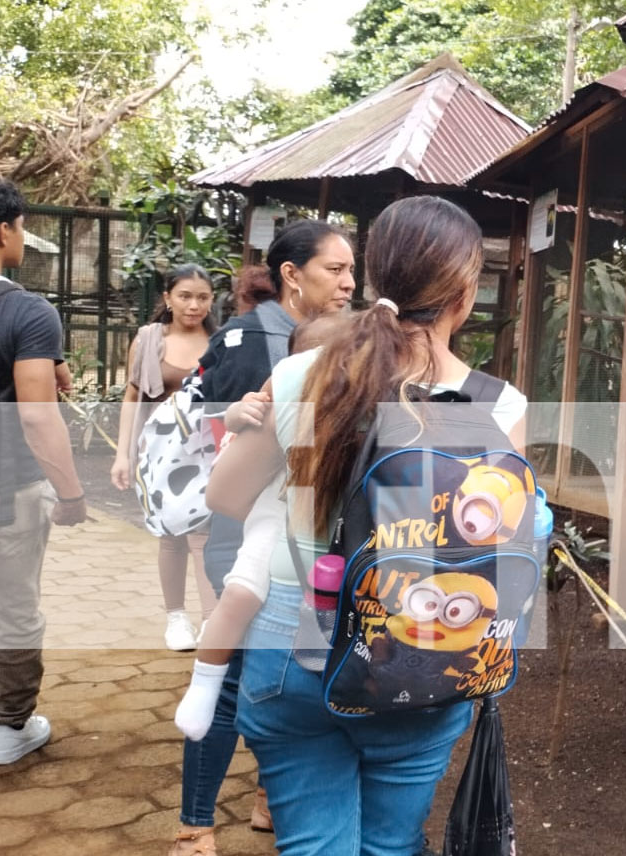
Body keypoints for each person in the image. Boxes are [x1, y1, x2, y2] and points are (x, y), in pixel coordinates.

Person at [205, 196, 526, 856]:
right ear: (465, 292)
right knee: (390, 844)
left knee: (314, 845)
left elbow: (227, 496)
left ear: (377, 277)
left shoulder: (301, 374)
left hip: (287, 637)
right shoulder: (498, 406)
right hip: (417, 645)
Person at [169, 220, 355, 856]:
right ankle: (195, 824)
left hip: (293, 534)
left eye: (352, 271)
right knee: (230, 682)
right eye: (335, 269)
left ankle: (266, 800)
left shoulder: (323, 340)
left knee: (271, 676)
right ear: (292, 274)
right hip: (246, 533)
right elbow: (226, 450)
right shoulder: (254, 338)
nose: (348, 283)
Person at [173, 311, 349, 741]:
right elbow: (234, 423)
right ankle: (204, 681)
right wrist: (238, 414)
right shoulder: (278, 390)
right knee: (241, 592)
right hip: (274, 504)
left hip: (316, 525)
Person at [0, 176, 88, 766]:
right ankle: (8, 728)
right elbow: (38, 418)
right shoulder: (25, 310)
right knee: (16, 606)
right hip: (5, 492)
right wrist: (70, 494)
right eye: (22, 225)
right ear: (4, 230)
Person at [111, 264, 217, 650]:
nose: (194, 305)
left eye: (202, 297)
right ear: (168, 298)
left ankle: (211, 619)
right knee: (171, 535)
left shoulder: (221, 341)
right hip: (159, 455)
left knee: (206, 534)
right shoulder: (148, 339)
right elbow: (131, 398)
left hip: (207, 453)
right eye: (185, 296)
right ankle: (176, 618)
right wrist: (123, 454)